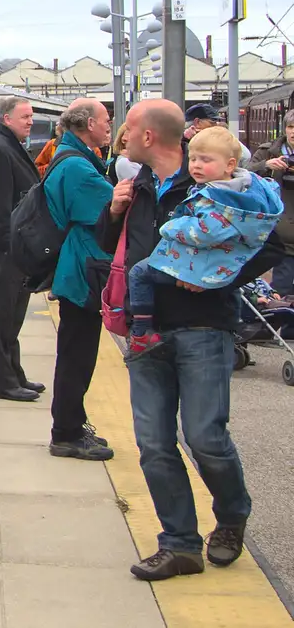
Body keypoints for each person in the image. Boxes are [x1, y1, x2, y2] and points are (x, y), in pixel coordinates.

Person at [101, 98, 277, 581]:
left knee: (205, 437)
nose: (121, 137)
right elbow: (108, 246)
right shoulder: (135, 184)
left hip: (202, 326)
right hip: (147, 330)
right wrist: (113, 213)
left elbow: (275, 240)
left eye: (128, 129)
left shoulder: (221, 182)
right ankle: (179, 544)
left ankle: (232, 513)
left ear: (150, 136)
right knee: (154, 444)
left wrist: (222, 277)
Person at [124, 126, 282, 354]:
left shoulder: (218, 197)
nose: (196, 165)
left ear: (230, 165)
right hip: (205, 278)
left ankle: (141, 331)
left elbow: (207, 231)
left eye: (205, 160)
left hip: (202, 305)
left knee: (138, 273)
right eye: (194, 158)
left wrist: (171, 227)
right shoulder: (247, 196)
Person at [42, 98, 116, 460]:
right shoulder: (77, 168)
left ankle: (72, 423)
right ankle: (67, 432)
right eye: (105, 119)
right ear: (87, 123)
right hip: (81, 272)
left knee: (78, 350)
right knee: (77, 354)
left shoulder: (75, 157)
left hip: (79, 268)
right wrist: (122, 196)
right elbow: (108, 211)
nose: (109, 125)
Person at [0, 96, 43, 401]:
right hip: (6, 250)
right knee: (2, 317)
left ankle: (14, 374)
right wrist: (9, 246)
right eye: (25, 116)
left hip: (16, 248)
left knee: (13, 317)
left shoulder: (8, 146)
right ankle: (3, 383)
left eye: (31, 116)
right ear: (6, 119)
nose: (30, 121)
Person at [247, 113, 294, 295]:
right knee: (281, 288)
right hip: (281, 232)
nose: (293, 133)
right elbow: (244, 175)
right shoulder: (267, 151)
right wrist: (266, 166)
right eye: (290, 127)